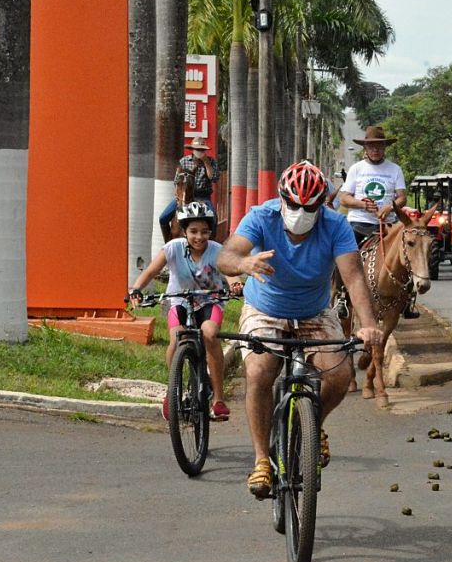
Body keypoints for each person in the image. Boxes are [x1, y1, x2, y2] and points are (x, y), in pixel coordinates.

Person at [216, 161, 384, 498]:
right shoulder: (262, 217)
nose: (300, 212)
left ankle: (313, 427)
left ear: (321, 203)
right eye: (293, 205)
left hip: (314, 311)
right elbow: (226, 256)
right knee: (260, 372)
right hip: (265, 309)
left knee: (337, 375)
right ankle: (262, 459)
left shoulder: (335, 226)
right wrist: (244, 263)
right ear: (281, 199)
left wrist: (368, 326)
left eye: (309, 207)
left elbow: (353, 278)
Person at [130, 201, 242, 422]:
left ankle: (218, 399)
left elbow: (232, 274)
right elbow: (151, 271)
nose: (199, 237)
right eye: (193, 231)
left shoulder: (218, 251)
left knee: (210, 333)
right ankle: (173, 392)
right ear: (184, 231)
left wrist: (236, 285)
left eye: (204, 231)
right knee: (176, 338)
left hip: (210, 302)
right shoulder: (172, 248)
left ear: (211, 232)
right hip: (179, 301)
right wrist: (135, 289)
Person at [339, 125, 419, 318]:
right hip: (359, 223)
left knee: (407, 255)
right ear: (365, 148)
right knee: (342, 255)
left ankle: (408, 299)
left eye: (379, 146)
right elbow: (344, 198)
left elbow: (402, 197)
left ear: (385, 147)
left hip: (388, 226)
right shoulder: (356, 169)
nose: (375, 150)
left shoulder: (395, 169)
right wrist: (362, 205)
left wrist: (390, 207)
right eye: (371, 146)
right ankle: (341, 295)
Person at [157, 137, 221, 243]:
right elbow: (177, 180)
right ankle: (167, 243)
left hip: (202, 196)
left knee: (213, 217)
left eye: (202, 149)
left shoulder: (211, 161)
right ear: (192, 149)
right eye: (197, 149)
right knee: (163, 218)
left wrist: (206, 163)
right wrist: (179, 194)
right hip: (184, 195)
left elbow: (213, 178)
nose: (199, 152)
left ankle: (211, 242)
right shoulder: (184, 161)